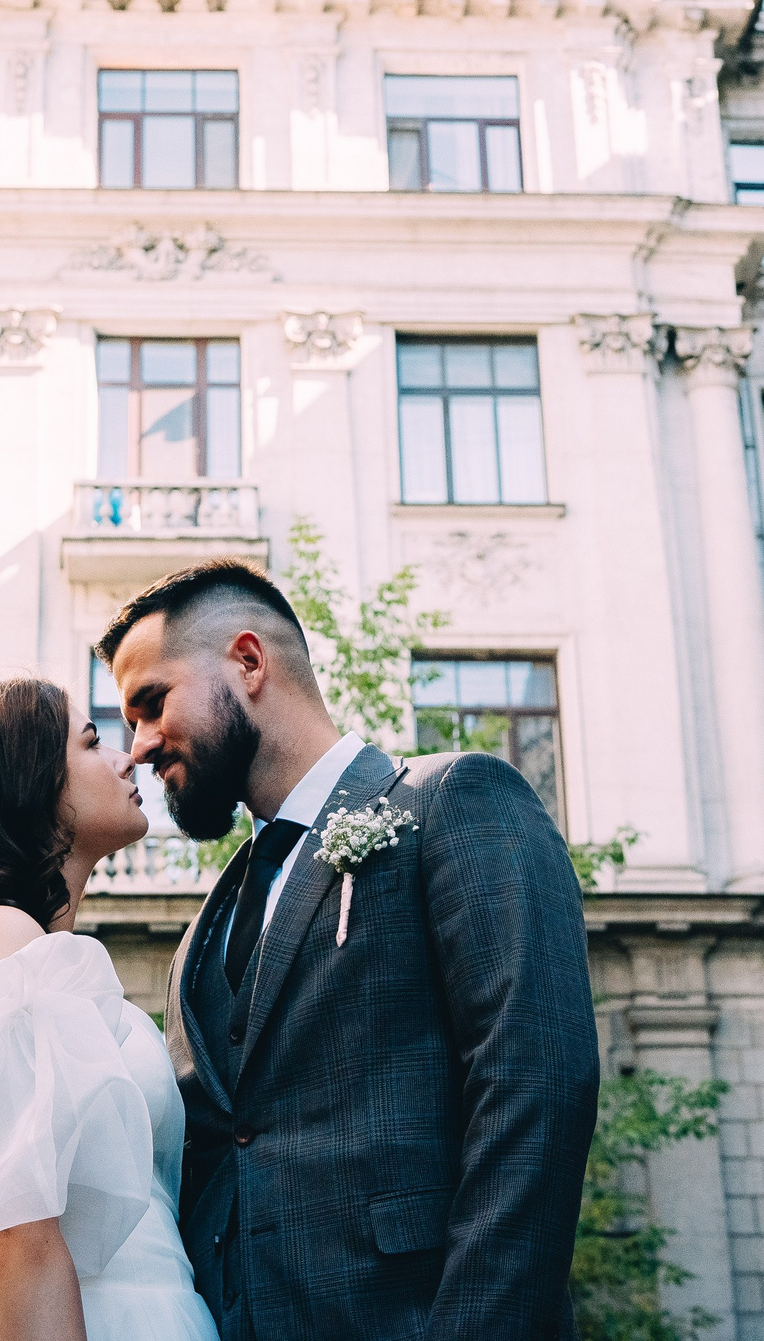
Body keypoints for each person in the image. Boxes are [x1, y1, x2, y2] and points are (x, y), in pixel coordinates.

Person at [96, 559, 599, 1341]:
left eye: (151, 703)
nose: (139, 745)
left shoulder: (452, 801)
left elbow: (536, 1084)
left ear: (249, 660)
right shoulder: (206, 930)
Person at [0, 678, 220, 1341]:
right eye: (91, 742)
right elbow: (15, 1240)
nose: (127, 757)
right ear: (25, 784)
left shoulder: (46, 958)